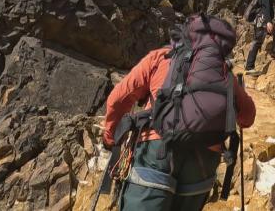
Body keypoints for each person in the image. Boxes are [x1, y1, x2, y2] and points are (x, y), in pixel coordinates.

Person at [103, 24, 256, 211]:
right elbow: (248, 117)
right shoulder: (223, 72)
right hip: (203, 161)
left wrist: (110, 136)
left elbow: (117, 99)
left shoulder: (160, 57)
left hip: (157, 149)